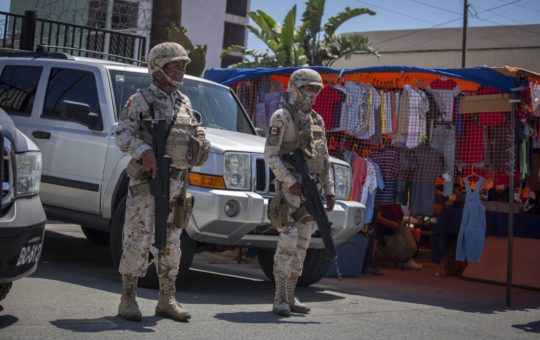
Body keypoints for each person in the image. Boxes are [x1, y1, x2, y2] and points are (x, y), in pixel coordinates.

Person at [115, 42, 210, 322]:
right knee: (138, 238)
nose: (181, 69)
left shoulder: (184, 102)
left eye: (183, 64)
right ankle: (128, 298)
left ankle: (166, 298)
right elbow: (122, 133)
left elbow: (190, 135)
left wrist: (200, 142)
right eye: (175, 64)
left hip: (177, 185)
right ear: (158, 66)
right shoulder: (140, 100)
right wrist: (143, 151)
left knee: (171, 243)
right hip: (148, 183)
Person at [264, 68, 335, 316]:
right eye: (308, 88)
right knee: (288, 242)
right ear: (295, 87)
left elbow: (323, 159)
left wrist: (329, 190)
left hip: (311, 193)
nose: (313, 94)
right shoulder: (281, 117)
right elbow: (270, 155)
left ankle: (291, 295)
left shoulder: (317, 120)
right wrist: (290, 181)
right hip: (289, 192)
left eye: (316, 89)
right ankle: (279, 298)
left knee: (303, 244)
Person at [375, 203, 423, 270]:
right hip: (385, 230)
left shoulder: (396, 203)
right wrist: (390, 223)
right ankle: (404, 260)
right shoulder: (384, 202)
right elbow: (376, 217)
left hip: (396, 227)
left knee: (414, 234)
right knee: (405, 243)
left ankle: (406, 259)